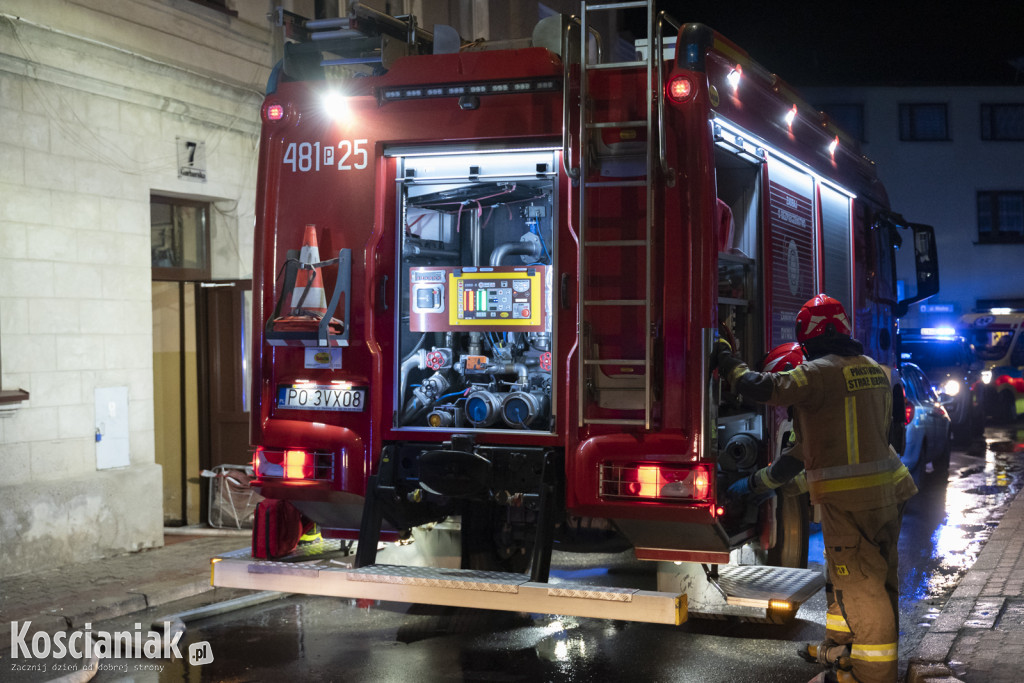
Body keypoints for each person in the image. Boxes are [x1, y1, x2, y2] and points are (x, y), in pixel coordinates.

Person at [713, 294, 917, 683]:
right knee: (864, 578)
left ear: (814, 337)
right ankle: (842, 654)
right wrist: (755, 485)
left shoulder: (820, 374)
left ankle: (872, 676)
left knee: (860, 588)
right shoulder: (870, 368)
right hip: (890, 495)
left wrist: (724, 357)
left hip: (852, 502)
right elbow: (798, 458)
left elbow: (762, 387)